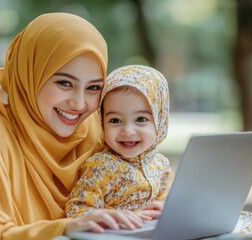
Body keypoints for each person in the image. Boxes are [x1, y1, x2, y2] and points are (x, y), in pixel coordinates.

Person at [0, 13, 144, 240]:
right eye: (64, 83)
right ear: (30, 73)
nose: (79, 104)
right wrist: (64, 229)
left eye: (93, 88)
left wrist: (138, 213)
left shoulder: (93, 131)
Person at [65, 65, 174, 220]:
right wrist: (119, 216)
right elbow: (77, 209)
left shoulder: (161, 165)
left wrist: (164, 208)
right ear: (102, 122)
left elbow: (168, 201)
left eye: (141, 119)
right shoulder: (101, 166)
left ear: (160, 120)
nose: (127, 131)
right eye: (115, 120)